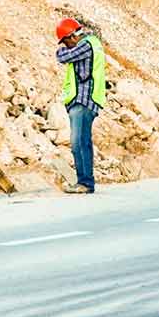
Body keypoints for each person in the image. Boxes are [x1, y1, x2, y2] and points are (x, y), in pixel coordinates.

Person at [55, 18, 106, 194]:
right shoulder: (92, 44)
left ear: (72, 36)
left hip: (83, 100)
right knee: (84, 141)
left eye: (66, 42)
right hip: (87, 100)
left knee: (78, 143)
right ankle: (86, 182)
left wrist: (62, 51)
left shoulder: (86, 45)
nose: (67, 46)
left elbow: (62, 57)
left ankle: (85, 183)